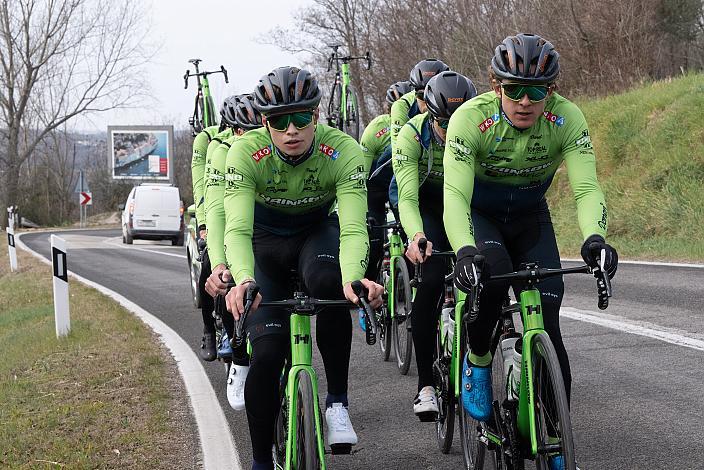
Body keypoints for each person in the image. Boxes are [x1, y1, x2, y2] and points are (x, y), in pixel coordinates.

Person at [443, 33, 618, 469]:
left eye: (536, 91)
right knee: (491, 278)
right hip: (481, 217)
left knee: (550, 326)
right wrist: (465, 251)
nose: (525, 101)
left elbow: (586, 187)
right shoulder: (470, 119)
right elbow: (454, 197)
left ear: (551, 92)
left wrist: (595, 239)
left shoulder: (567, 119)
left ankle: (556, 436)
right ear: (496, 86)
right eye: (513, 90)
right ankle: (479, 358)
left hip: (529, 218)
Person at [222, 66, 383, 470]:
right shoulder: (244, 152)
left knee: (331, 284)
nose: (291, 130)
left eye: (301, 118)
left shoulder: (342, 150)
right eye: (280, 121)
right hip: (265, 244)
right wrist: (243, 279)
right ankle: (260, 461)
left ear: (316, 116)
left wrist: (353, 278)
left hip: (318, 235)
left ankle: (337, 405)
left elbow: (351, 227)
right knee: (268, 355)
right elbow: (238, 228)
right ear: (264, 123)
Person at [392, 71, 477, 420]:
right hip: (427, 206)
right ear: (428, 111)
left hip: (468, 202)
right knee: (427, 286)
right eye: (443, 122)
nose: (450, 128)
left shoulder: (477, 126)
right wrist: (416, 236)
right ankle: (425, 385)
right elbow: (407, 198)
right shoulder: (411, 135)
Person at [203, 93, 263, 410]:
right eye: (243, 130)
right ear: (233, 129)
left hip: (266, 228)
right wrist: (219, 262)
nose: (250, 138)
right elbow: (216, 210)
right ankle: (230, 343)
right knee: (222, 276)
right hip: (231, 224)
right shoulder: (221, 151)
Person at [356, 80, 412, 330]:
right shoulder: (375, 131)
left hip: (405, 186)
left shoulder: (419, 128)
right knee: (375, 242)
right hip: (375, 189)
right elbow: (360, 175)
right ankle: (366, 297)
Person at [191, 95, 238, 362]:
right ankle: (210, 329)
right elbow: (203, 188)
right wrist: (204, 225)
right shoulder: (210, 141)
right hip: (213, 210)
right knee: (210, 267)